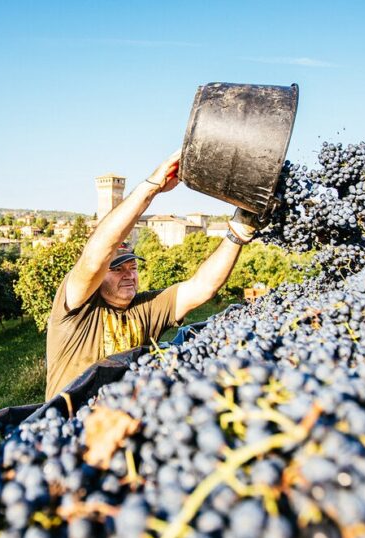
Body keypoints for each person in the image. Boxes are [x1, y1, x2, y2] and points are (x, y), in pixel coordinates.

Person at [45, 150, 261, 400]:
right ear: (98, 278)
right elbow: (95, 257)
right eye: (117, 269)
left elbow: (202, 287)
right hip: (69, 423)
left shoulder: (145, 309)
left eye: (133, 267)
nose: (129, 274)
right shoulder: (76, 310)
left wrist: (237, 234)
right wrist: (151, 188)